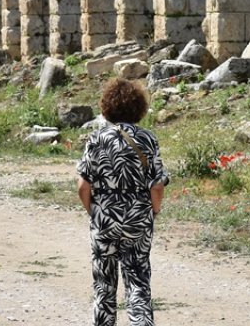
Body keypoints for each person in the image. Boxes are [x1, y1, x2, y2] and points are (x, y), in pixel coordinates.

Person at [77, 78, 169, 326]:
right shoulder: (148, 139)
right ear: (139, 107)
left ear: (107, 107)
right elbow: (157, 186)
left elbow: (83, 186)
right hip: (139, 219)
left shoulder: (96, 140)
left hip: (104, 219)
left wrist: (95, 212)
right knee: (138, 282)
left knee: (104, 288)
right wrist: (153, 212)